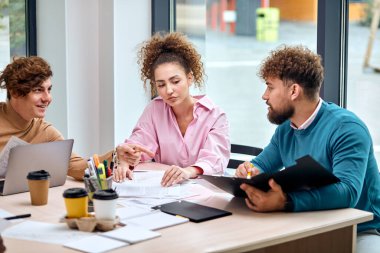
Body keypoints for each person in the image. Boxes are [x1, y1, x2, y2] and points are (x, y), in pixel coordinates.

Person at [235, 45, 380, 252]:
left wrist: (286, 201)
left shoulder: (347, 129)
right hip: (306, 223)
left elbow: (348, 191)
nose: (264, 96)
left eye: (270, 87)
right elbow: (261, 164)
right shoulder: (287, 128)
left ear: (294, 91)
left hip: (360, 230)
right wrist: (249, 170)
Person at [114, 32, 230, 186]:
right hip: (168, 190)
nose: (168, 90)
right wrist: (126, 157)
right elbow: (139, 144)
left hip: (205, 189)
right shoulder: (154, 110)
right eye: (161, 84)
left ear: (190, 78)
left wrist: (187, 171)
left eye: (175, 81)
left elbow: (215, 160)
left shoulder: (215, 116)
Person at [0, 56, 112, 180]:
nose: (47, 98)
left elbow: (77, 167)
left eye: (49, 89)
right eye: (38, 90)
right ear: (15, 92)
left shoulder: (45, 132)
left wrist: (115, 155)